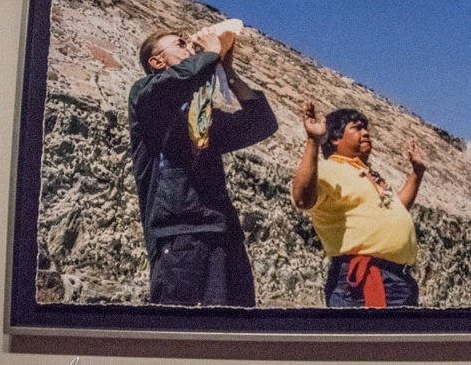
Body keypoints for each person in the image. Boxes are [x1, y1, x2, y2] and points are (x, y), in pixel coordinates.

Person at [128, 26, 277, 306]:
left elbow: (262, 123)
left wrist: (228, 73)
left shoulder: (203, 117)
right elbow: (180, 79)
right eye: (180, 44)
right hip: (179, 237)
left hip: (224, 236)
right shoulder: (145, 96)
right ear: (157, 61)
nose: (189, 46)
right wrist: (209, 52)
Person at [291, 101, 426, 307]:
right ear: (336, 139)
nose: (366, 132)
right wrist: (313, 141)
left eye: (366, 128)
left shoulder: (366, 174)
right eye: (357, 128)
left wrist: (417, 174)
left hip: (399, 279)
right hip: (361, 282)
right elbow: (302, 198)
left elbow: (396, 208)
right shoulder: (329, 168)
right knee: (369, 339)